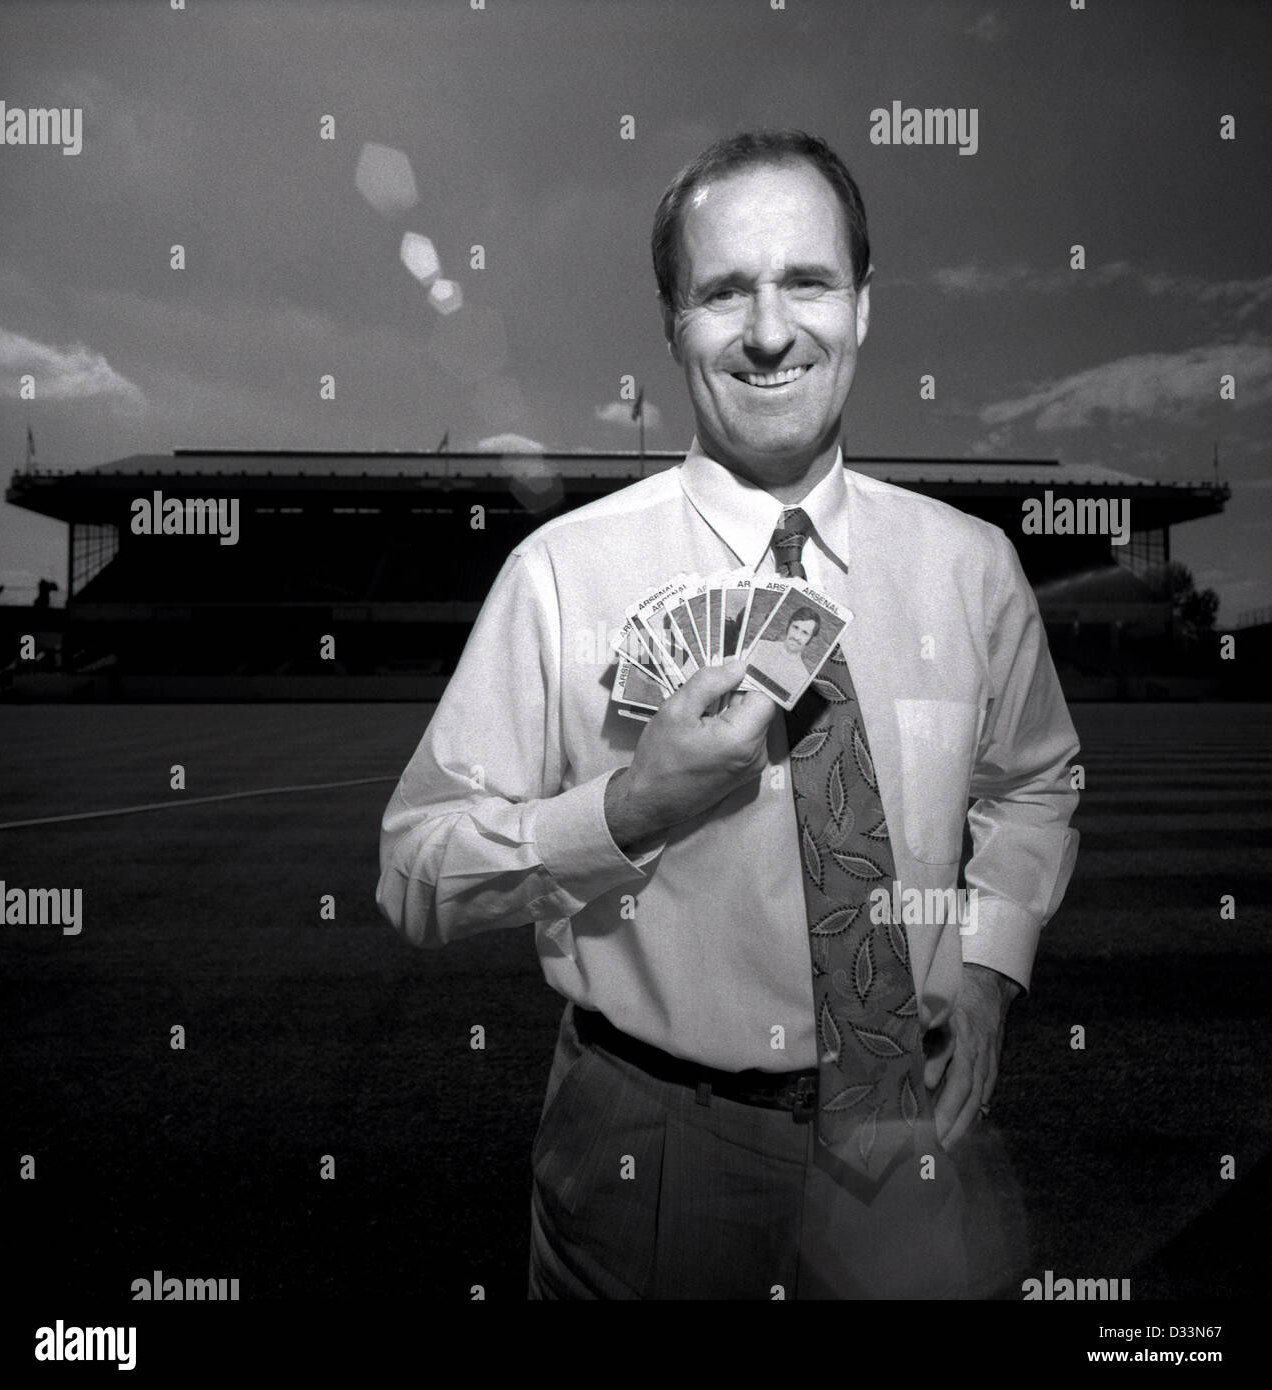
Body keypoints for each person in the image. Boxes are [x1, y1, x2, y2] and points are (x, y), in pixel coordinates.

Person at [377, 129, 1079, 1299]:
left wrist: (995, 972)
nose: (767, 330)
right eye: (722, 292)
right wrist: (627, 806)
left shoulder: (974, 569)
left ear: (863, 304)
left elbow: (1033, 783)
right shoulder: (560, 575)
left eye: (806, 280)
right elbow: (413, 870)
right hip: (651, 1143)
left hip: (909, 1126)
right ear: (673, 325)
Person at [745, 606, 818, 701]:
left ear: (810, 639)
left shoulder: (802, 678)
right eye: (795, 627)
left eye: (805, 633)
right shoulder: (760, 646)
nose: (796, 637)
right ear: (788, 627)